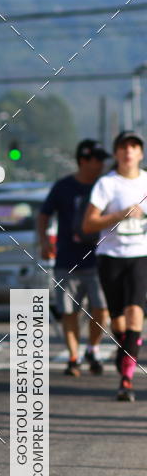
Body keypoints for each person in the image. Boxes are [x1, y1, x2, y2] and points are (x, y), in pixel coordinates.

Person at [83, 130, 147, 401]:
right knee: (119, 321)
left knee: (135, 313)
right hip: (110, 257)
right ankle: (126, 352)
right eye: (123, 147)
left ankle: (126, 380)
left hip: (140, 255)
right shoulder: (106, 184)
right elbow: (88, 224)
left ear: (141, 153)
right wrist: (121, 214)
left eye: (134, 147)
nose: (128, 151)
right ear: (117, 153)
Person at [37, 139, 109, 377]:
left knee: (102, 309)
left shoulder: (105, 185)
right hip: (67, 259)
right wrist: (44, 240)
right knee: (70, 312)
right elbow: (44, 215)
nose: (101, 164)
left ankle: (94, 348)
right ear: (83, 160)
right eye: (97, 159)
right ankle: (73, 357)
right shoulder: (63, 187)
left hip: (99, 259)